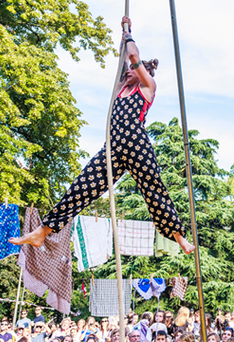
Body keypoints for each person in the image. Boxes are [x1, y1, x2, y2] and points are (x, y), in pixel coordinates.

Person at [11, 16, 194, 253]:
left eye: (132, 71)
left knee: (153, 190)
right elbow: (124, 57)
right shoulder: (119, 90)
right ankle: (41, 232)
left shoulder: (147, 88)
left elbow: (133, 56)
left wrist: (129, 35)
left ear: (142, 73)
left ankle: (179, 238)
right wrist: (123, 35)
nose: (128, 73)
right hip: (113, 149)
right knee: (81, 187)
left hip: (136, 146)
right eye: (127, 71)